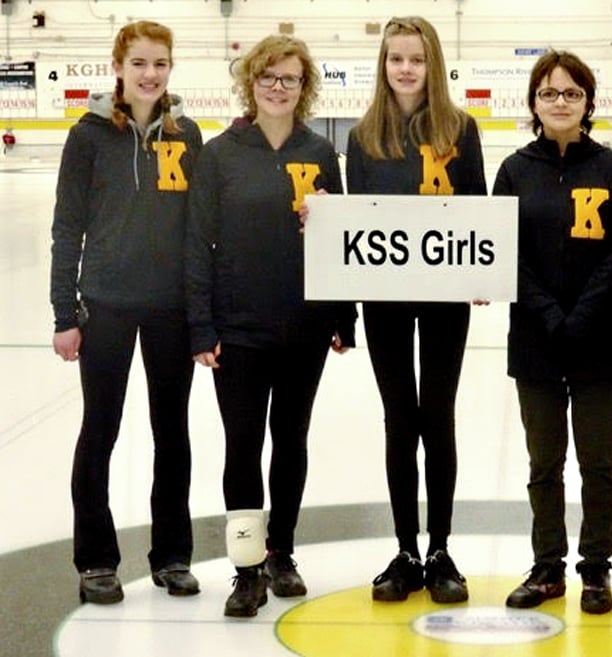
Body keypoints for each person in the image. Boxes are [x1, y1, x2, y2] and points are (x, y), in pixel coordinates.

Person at [185, 34, 356, 618]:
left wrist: (342, 315)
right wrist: (201, 326)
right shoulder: (221, 154)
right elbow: (196, 245)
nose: (278, 88)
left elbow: (340, 241)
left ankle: (282, 552)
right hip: (239, 329)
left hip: (305, 326)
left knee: (291, 441)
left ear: (304, 89)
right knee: (242, 446)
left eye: (290, 79)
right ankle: (247, 567)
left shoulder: (319, 151)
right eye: (268, 78)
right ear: (250, 82)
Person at [50, 20, 202, 604]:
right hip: (106, 308)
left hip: (171, 310)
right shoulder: (88, 137)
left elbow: (200, 231)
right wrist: (65, 312)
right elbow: (67, 227)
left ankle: (172, 555)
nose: (149, 74)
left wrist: (201, 309)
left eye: (159, 63)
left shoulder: (186, 135)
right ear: (117, 67)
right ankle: (95, 561)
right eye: (138, 63)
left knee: (173, 433)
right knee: (101, 431)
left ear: (170, 67)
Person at [345, 16, 487, 604]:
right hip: (385, 301)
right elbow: (355, 226)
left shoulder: (461, 127)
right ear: (383, 65)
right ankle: (405, 548)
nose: (405, 68)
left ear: (434, 64)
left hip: (446, 296)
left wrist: (483, 268)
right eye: (395, 58)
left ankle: (441, 549)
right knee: (399, 420)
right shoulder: (362, 136)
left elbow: (477, 204)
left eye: (417, 58)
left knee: (438, 416)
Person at [493, 51, 612, 614]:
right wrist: (550, 314)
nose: (559, 102)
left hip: (599, 337)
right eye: (549, 93)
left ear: (588, 103)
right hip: (535, 338)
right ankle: (548, 567)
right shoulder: (514, 170)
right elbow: (503, 251)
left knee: (598, 460)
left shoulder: (611, 167)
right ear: (533, 103)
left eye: (571, 93)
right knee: (544, 463)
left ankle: (595, 570)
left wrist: (581, 315)